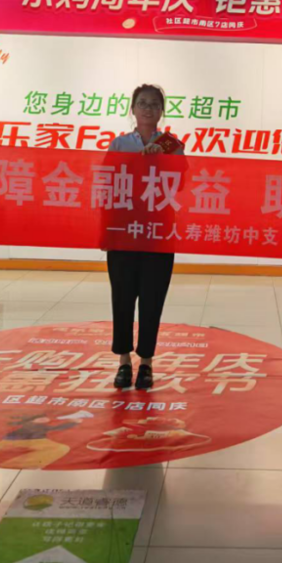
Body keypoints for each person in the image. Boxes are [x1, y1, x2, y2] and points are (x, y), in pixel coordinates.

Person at [106, 84, 184, 391]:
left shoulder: (172, 144)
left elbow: (180, 184)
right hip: (124, 231)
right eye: (142, 103)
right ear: (133, 109)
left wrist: (161, 159)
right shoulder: (119, 144)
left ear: (162, 110)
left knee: (152, 299)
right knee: (122, 298)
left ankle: (147, 362)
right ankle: (124, 361)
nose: (148, 108)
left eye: (154, 104)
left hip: (158, 231)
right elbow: (107, 183)